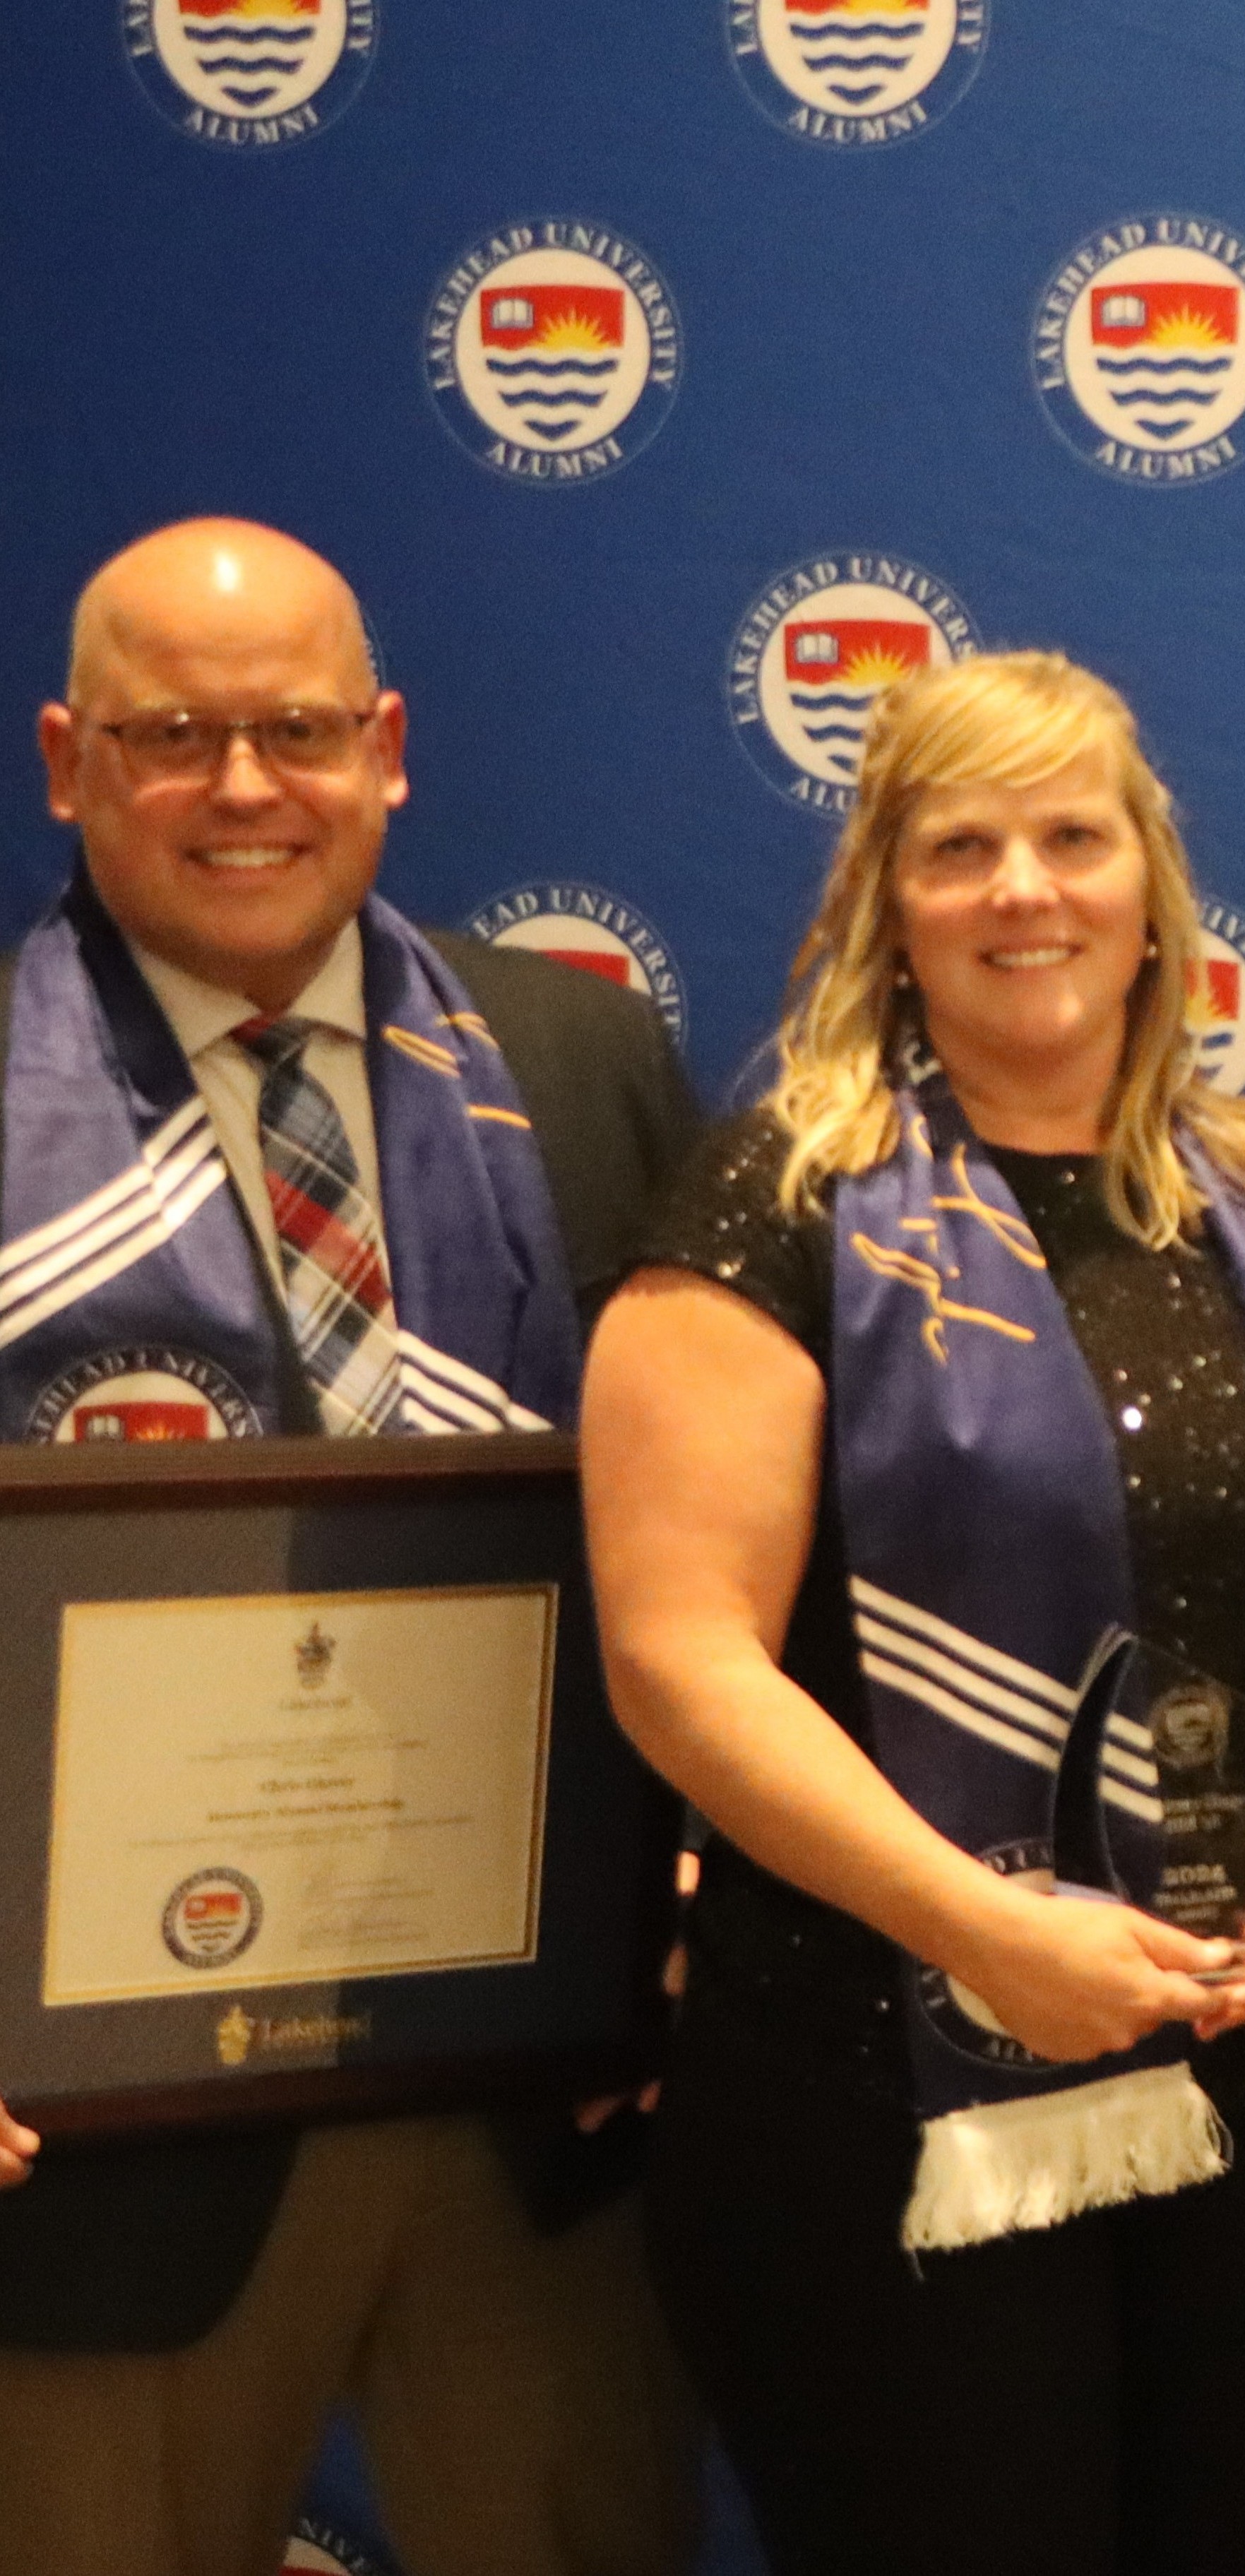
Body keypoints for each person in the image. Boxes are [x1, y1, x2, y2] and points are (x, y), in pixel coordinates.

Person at [581, 650, 1245, 2575]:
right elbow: (677, 1661)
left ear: (1151, 892)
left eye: (1071, 837)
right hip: (892, 2095)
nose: (1022, 891)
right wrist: (984, 1932)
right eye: (957, 846)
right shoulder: (771, 1213)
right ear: (882, 908)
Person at [0, 521, 702, 2575]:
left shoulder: (577, 1061)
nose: (242, 785)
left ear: (386, 747)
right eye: (171, 735)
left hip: (537, 2095)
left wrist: (685, 1894)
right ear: (65, 761)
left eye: (296, 728)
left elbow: (741, 1539)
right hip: (94, 2136)